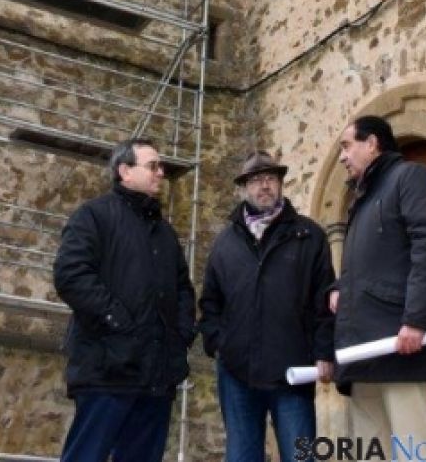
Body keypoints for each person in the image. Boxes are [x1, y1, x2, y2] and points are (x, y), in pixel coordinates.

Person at [53, 137, 195, 462]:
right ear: (125, 171)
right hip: (106, 370)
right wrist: (118, 322)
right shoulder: (93, 216)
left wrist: (181, 335)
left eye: (161, 166)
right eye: (152, 166)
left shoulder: (165, 233)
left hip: (156, 376)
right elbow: (70, 275)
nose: (161, 172)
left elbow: (183, 289)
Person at [199, 150, 335, 462]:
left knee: (301, 456)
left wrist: (324, 351)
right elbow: (210, 302)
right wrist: (219, 344)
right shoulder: (225, 243)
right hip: (237, 372)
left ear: (280, 184)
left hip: (293, 369)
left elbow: (324, 299)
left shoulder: (309, 235)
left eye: (271, 178)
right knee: (241, 456)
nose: (264, 186)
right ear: (244, 188)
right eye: (256, 180)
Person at [330, 115, 426, 451]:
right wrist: (339, 289)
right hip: (363, 359)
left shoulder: (411, 177)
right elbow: (370, 266)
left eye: (346, 146)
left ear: (372, 143)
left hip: (403, 351)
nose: (341, 156)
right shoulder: (359, 202)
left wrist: (416, 319)